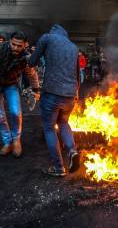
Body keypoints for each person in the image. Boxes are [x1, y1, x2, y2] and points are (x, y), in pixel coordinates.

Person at [28, 24, 80, 177]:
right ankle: (72, 150)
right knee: (63, 123)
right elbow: (77, 74)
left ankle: (58, 167)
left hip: (52, 92)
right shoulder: (73, 47)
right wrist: (76, 93)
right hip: (70, 95)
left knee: (49, 128)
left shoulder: (47, 38)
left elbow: (32, 62)